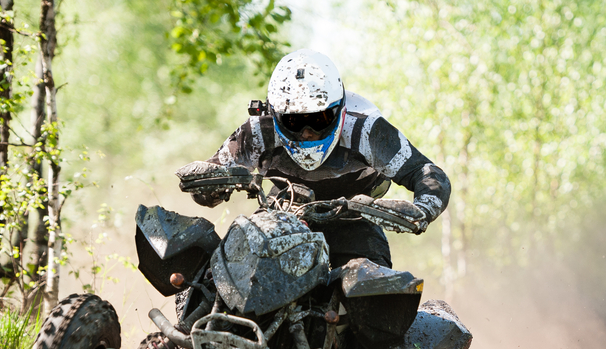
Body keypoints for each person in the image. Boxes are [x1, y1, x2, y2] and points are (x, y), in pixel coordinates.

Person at [189, 49, 451, 269]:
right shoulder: (259, 131)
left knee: (374, 297)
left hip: (354, 222)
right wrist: (210, 186)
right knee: (221, 273)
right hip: (280, 215)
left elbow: (425, 171)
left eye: (319, 119)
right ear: (274, 114)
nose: (307, 132)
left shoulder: (365, 130)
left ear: (339, 110)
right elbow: (210, 176)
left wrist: (422, 209)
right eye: (293, 121)